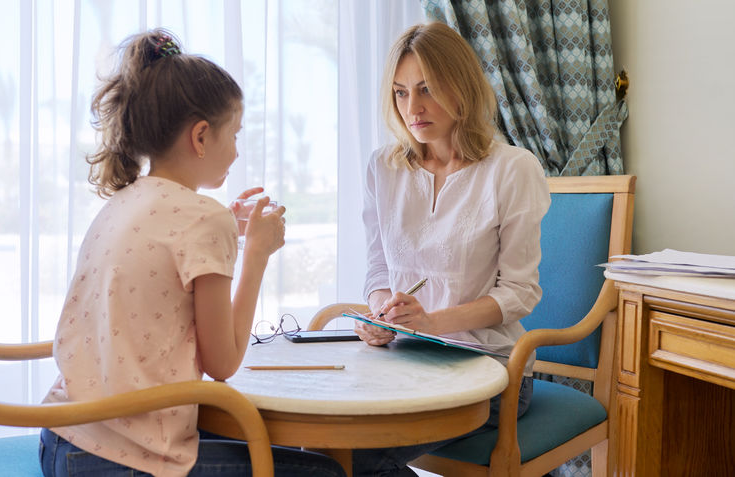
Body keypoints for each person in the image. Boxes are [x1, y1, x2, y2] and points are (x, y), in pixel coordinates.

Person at [39, 29, 345, 477]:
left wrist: (230, 230)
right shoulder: (203, 220)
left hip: (60, 441)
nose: (238, 152)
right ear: (200, 136)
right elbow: (223, 364)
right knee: (325, 472)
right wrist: (256, 253)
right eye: (235, 135)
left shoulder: (125, 200)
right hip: (120, 461)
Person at [351, 22, 551, 476]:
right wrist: (383, 315)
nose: (412, 108)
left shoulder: (513, 169)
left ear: (461, 88)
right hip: (404, 359)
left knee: (360, 457)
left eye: (427, 89)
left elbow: (520, 293)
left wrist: (432, 322)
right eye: (400, 93)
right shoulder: (382, 167)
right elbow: (378, 274)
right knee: (325, 443)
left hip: (488, 370)